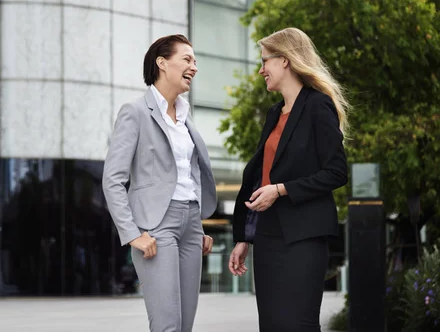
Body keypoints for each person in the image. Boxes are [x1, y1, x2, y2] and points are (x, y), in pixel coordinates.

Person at [228, 27, 349, 332]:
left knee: (298, 324)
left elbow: (336, 172)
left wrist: (281, 190)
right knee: (271, 324)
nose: (261, 70)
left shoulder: (318, 105)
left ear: (285, 60)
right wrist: (244, 236)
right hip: (268, 234)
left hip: (304, 235)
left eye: (265, 61)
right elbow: (260, 177)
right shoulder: (273, 114)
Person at [103, 34, 218, 332]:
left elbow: (188, 175)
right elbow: (113, 179)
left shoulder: (185, 118)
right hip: (156, 227)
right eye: (188, 59)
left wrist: (200, 226)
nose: (194, 66)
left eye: (195, 61)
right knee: (167, 324)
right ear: (162, 63)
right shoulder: (135, 113)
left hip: (191, 224)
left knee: (185, 325)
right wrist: (132, 235)